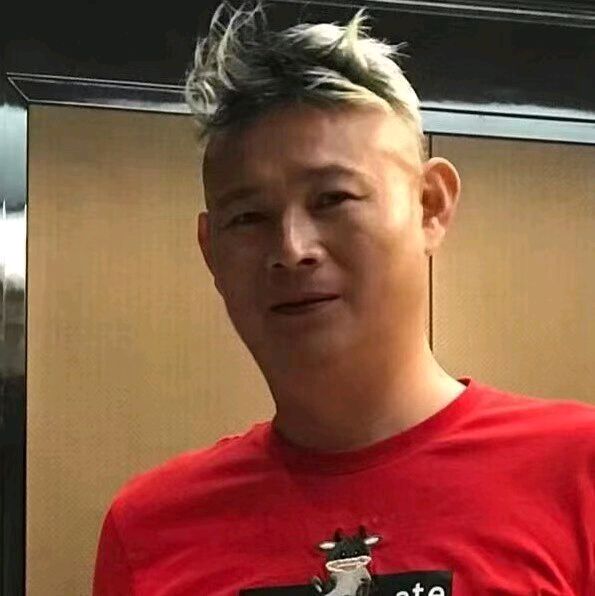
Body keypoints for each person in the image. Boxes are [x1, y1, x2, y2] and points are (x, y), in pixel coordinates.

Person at [92, 3, 594, 594]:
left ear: (430, 206)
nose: (291, 249)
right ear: (211, 252)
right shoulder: (149, 530)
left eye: (332, 199)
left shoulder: (578, 475)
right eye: (249, 217)